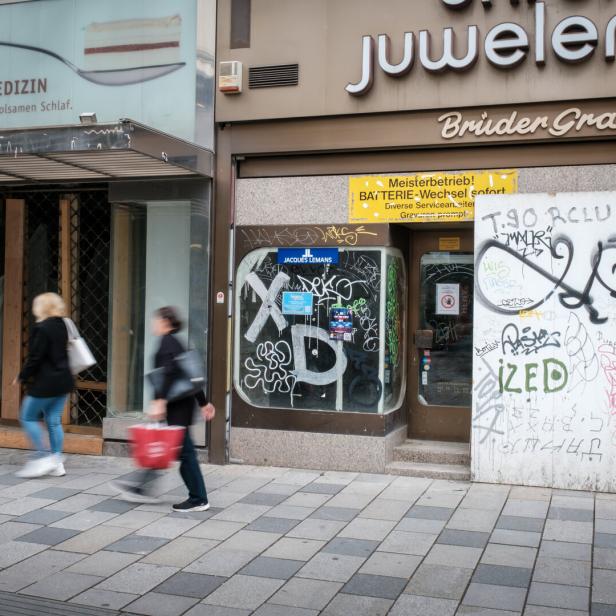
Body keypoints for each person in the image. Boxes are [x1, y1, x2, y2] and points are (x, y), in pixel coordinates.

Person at [115, 306, 215, 512]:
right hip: (181, 406)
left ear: (166, 322)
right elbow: (192, 377)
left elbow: (168, 374)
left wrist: (160, 400)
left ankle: (198, 498)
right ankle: (141, 488)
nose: (153, 323)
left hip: (176, 407)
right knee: (165, 447)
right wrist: (203, 403)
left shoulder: (166, 343)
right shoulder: (176, 343)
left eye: (156, 320)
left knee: (184, 453)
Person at [14, 292, 73, 478]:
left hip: (46, 383)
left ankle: (43, 457)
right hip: (64, 380)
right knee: (54, 420)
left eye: (36, 303)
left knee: (27, 417)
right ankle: (57, 463)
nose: (33, 307)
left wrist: (21, 376)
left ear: (43, 307)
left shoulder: (41, 328)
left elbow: (35, 358)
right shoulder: (63, 324)